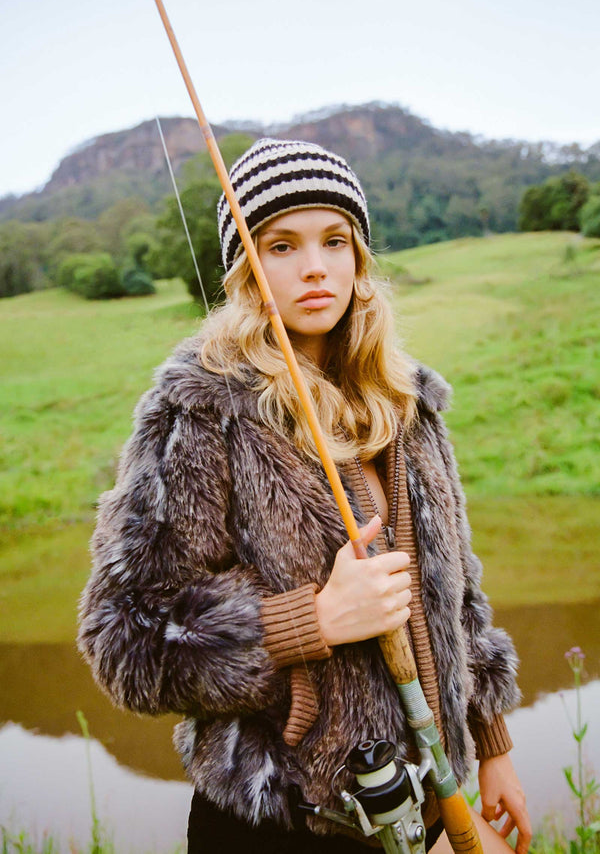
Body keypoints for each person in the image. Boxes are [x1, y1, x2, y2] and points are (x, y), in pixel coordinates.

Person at [78, 138, 531, 853]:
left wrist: (492, 741)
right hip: (277, 824)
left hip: (427, 802)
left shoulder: (408, 402)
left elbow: (457, 593)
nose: (314, 266)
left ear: (360, 261)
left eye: (334, 241)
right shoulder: (200, 410)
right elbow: (125, 637)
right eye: (281, 245)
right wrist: (311, 619)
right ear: (247, 272)